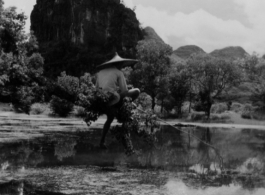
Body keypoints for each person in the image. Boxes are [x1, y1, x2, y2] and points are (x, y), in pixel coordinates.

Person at [95, 53, 140, 149]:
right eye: (122, 65)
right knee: (137, 91)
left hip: (102, 99)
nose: (122, 67)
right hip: (114, 99)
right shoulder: (119, 72)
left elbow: (96, 89)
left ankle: (102, 141)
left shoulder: (100, 72)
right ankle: (127, 104)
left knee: (110, 118)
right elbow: (124, 91)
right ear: (119, 64)